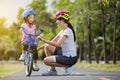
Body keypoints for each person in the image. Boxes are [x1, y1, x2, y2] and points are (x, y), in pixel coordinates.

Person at [37, 10, 77, 75]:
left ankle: (69, 66)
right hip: (64, 55)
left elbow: (58, 44)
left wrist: (43, 40)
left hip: (70, 58)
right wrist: (38, 49)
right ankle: (53, 70)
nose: (56, 22)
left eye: (57, 20)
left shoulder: (67, 31)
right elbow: (51, 42)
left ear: (62, 20)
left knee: (46, 60)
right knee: (47, 46)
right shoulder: (62, 31)